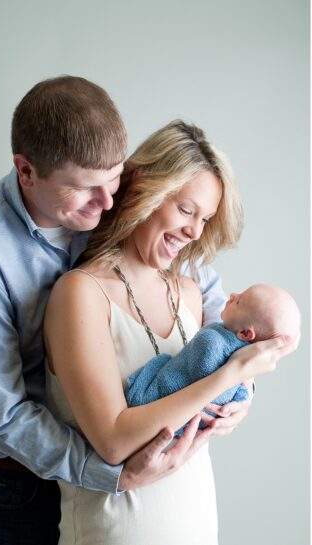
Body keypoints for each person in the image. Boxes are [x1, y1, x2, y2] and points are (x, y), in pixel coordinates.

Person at [0, 76, 250, 545]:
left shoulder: (99, 205)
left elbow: (206, 294)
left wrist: (242, 381)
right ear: (26, 171)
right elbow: (4, 415)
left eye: (115, 179)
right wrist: (116, 473)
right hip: (8, 487)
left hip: (99, 479)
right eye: (88, 188)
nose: (109, 202)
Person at [43, 119, 297, 545]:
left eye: (206, 218)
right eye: (185, 209)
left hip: (195, 522)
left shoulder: (191, 295)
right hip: (111, 530)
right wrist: (231, 375)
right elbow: (113, 440)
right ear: (144, 188)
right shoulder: (80, 293)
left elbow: (216, 382)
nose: (195, 232)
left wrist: (242, 391)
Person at [126, 284, 301, 436]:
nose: (232, 295)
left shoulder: (212, 341)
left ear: (245, 333)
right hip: (187, 425)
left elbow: (204, 375)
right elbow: (241, 395)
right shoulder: (238, 360)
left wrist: (234, 374)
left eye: (238, 301)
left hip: (157, 404)